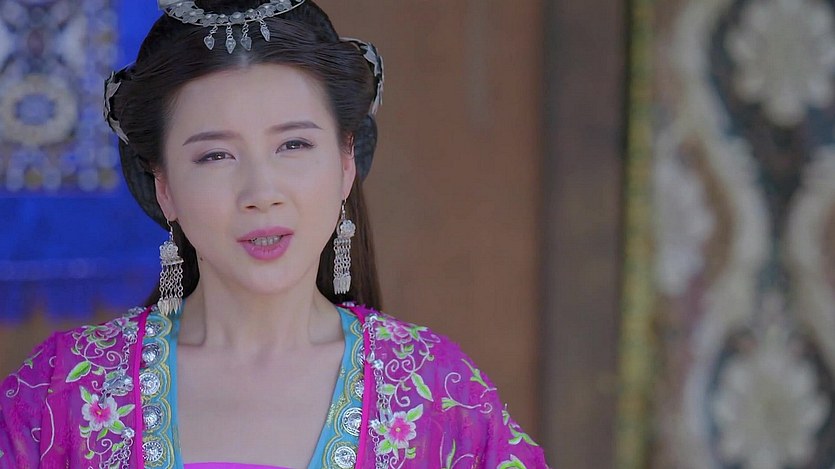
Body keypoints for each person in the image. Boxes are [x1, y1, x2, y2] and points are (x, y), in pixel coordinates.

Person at [0, 1, 548, 468]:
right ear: (163, 186)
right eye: (216, 155)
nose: (261, 192)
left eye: (294, 145)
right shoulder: (65, 390)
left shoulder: (439, 395)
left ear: (346, 162)